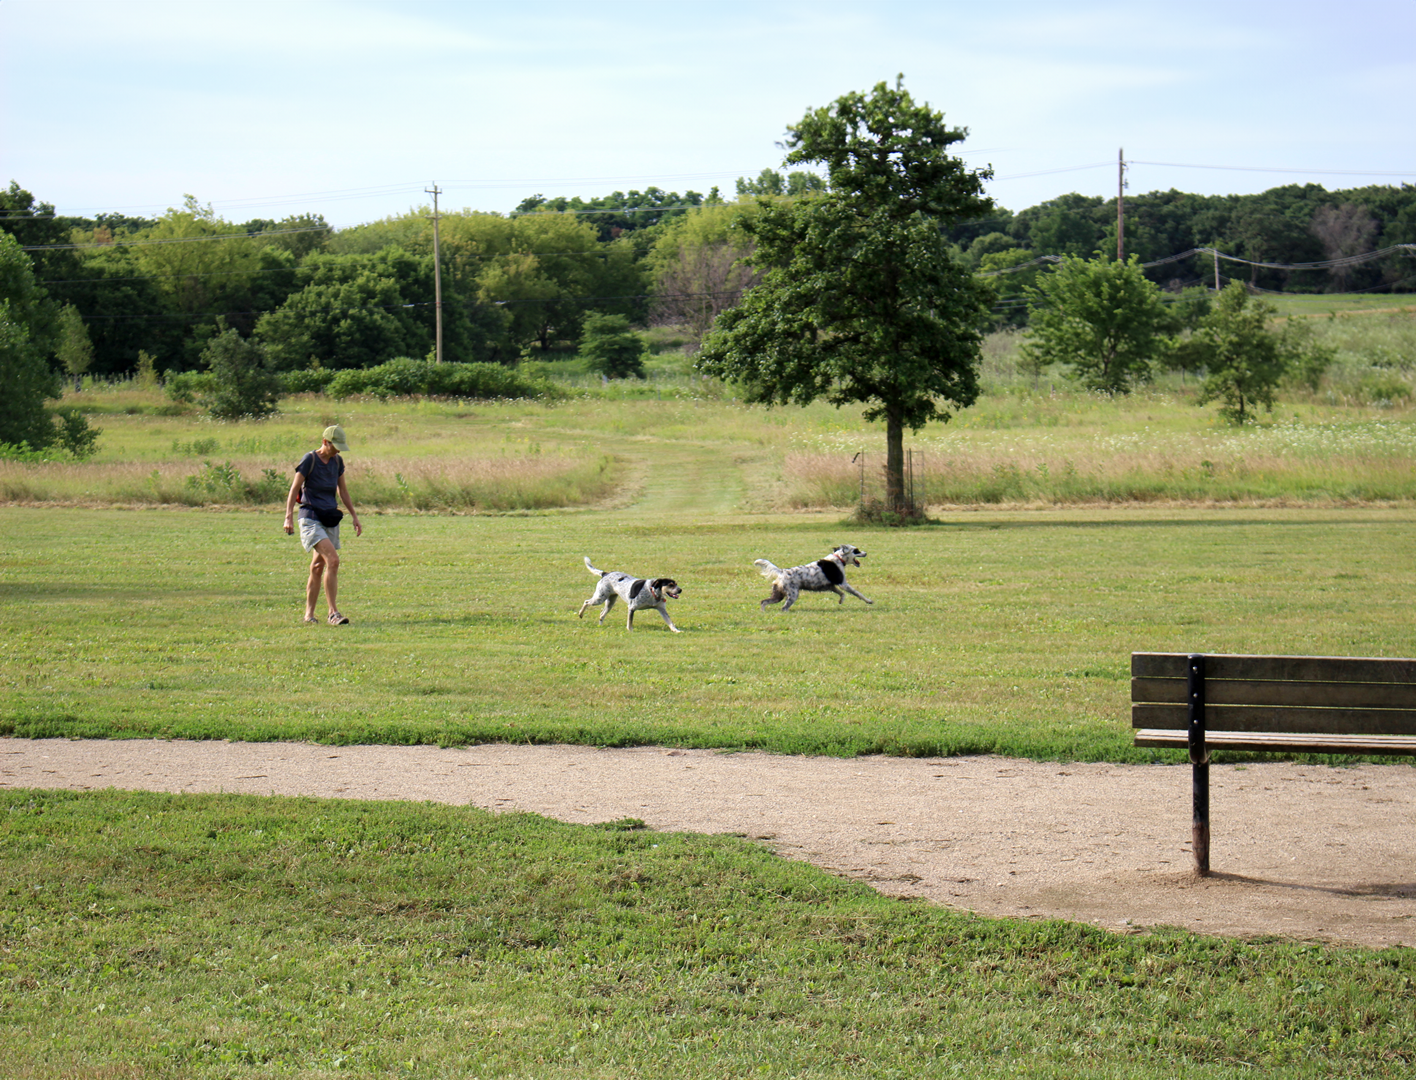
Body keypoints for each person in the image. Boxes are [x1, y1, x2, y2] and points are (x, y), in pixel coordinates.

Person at [284, 424, 362, 625]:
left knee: (318, 566)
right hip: (310, 516)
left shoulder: (337, 462)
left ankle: (309, 615)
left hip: (329, 517)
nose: (337, 450)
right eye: (334, 446)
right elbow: (294, 490)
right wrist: (288, 517)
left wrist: (354, 516)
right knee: (333, 560)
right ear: (325, 442)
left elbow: (343, 491)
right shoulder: (309, 459)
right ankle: (333, 613)